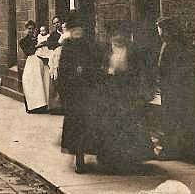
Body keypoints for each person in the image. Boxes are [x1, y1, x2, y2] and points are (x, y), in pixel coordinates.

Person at [92, 27, 153, 173]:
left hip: (127, 92)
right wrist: (105, 73)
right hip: (110, 91)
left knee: (129, 124)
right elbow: (98, 69)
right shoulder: (105, 52)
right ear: (111, 37)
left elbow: (139, 71)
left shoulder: (132, 52)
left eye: (121, 35)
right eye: (115, 35)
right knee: (110, 125)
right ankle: (109, 159)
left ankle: (131, 159)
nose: (118, 37)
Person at [57, 12, 98, 173]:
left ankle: (88, 154)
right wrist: (63, 93)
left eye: (80, 29)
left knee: (88, 125)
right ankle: (79, 158)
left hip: (87, 92)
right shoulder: (67, 47)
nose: (77, 32)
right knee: (76, 126)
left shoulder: (89, 45)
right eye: (75, 29)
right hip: (73, 93)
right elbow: (62, 72)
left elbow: (95, 66)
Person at [156, 17, 195, 160]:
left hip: (175, 89)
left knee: (172, 119)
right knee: (171, 119)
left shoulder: (174, 46)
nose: (159, 33)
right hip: (170, 88)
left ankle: (171, 151)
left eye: (161, 30)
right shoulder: (169, 44)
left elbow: (177, 70)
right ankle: (172, 149)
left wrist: (166, 82)